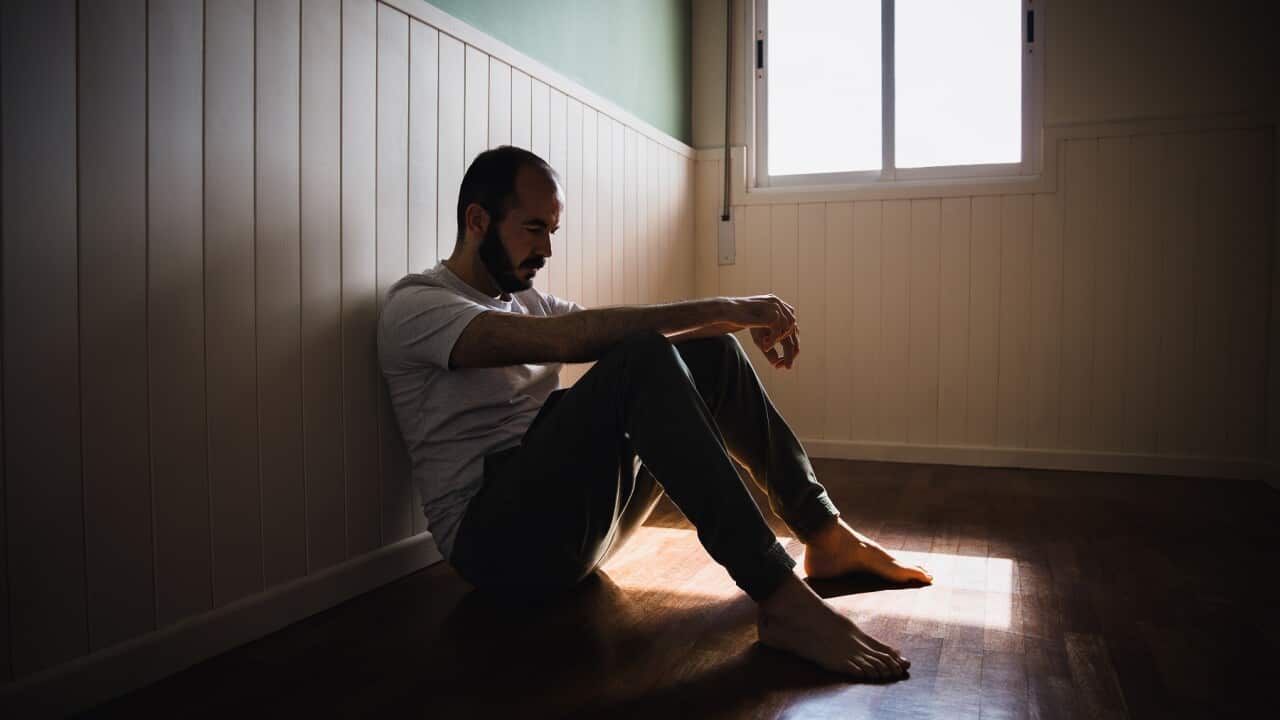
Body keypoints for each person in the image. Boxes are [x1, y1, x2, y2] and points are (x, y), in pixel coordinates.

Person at [377, 145, 932, 682]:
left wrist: (738, 323)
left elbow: (629, 330)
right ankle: (780, 595)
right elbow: (574, 339)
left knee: (710, 351)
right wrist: (727, 307)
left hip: (578, 531)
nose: (547, 249)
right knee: (640, 356)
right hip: (497, 547)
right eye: (533, 228)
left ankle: (823, 533)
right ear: (477, 220)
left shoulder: (528, 299)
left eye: (553, 230)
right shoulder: (420, 305)